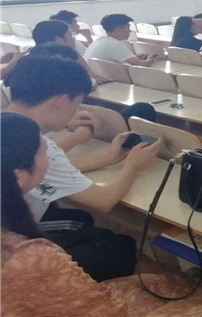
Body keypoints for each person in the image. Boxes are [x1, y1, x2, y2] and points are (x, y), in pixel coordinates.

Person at [0, 112, 202, 317]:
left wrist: (109, 158)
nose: (51, 158)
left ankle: (178, 283)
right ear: (19, 175)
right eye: (45, 152)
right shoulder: (34, 257)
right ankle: (184, 288)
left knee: (109, 239)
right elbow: (105, 309)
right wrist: (131, 166)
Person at [5, 56, 162, 281]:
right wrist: (132, 166)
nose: (76, 111)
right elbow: (104, 201)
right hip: (16, 252)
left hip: (10, 232)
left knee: (82, 220)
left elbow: (53, 171)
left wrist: (109, 157)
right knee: (121, 246)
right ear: (60, 100)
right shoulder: (37, 146)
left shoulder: (10, 127)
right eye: (76, 103)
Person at [30, 20, 106, 84]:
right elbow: (87, 84)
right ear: (58, 40)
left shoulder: (31, 58)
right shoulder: (61, 63)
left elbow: (94, 78)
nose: (74, 39)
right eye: (70, 34)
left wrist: (81, 61)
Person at [83, 14, 156, 66]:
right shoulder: (116, 44)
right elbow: (143, 64)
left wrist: (134, 57)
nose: (130, 31)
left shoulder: (99, 40)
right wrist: (150, 57)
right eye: (127, 28)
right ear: (117, 30)